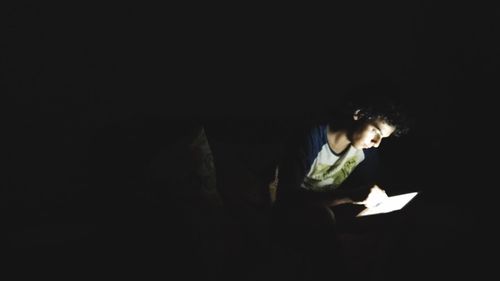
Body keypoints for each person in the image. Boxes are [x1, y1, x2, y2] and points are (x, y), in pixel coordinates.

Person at [270, 81, 411, 280]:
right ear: (359, 114)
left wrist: (375, 200)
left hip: (326, 211)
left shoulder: (364, 153)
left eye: (382, 139)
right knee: (321, 215)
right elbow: (287, 197)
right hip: (287, 211)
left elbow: (370, 190)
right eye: (375, 132)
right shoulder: (312, 136)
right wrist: (349, 196)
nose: (376, 143)